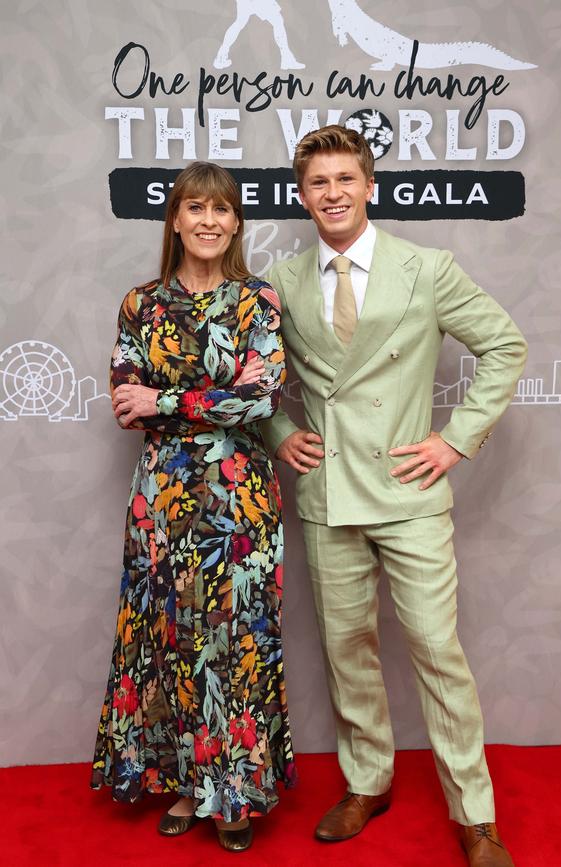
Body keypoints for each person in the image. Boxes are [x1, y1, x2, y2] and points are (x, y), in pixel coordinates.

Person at [260, 125, 527, 867]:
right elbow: (249, 375)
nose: (333, 193)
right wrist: (281, 428)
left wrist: (455, 438)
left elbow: (504, 344)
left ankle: (475, 815)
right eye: (318, 183)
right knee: (348, 649)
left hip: (409, 492)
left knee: (437, 650)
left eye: (346, 179)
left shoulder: (427, 268)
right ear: (303, 194)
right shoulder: (281, 282)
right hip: (329, 491)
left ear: (369, 186)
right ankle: (368, 780)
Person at [91, 161, 295, 853]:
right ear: (174, 218)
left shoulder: (256, 302)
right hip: (161, 504)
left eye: (221, 208)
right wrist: (202, 401)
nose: (208, 220)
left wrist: (167, 401)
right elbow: (125, 402)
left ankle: (232, 792)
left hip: (239, 503)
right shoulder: (139, 305)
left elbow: (261, 399)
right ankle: (184, 783)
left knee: (232, 645)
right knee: (172, 640)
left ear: (236, 222)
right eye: (194, 207)